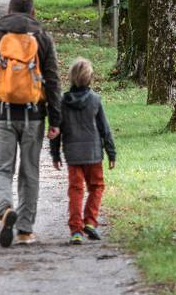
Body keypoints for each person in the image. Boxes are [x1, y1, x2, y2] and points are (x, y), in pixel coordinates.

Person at [0, 0, 62, 247]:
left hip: (1, 113)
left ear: (9, 12)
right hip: (33, 116)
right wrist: (55, 119)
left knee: (1, 169)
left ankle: (5, 210)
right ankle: (24, 230)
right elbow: (53, 81)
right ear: (33, 14)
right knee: (29, 172)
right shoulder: (42, 38)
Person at [50, 58, 116, 245]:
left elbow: (56, 130)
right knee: (96, 187)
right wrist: (111, 152)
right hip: (93, 153)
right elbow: (105, 129)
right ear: (90, 79)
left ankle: (76, 230)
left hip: (72, 155)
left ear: (71, 78)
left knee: (76, 191)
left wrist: (55, 154)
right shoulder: (95, 100)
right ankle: (90, 221)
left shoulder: (63, 102)